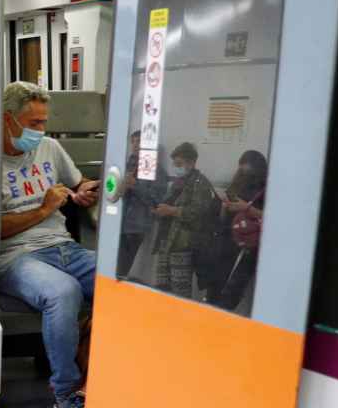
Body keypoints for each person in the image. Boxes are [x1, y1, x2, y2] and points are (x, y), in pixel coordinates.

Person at [0, 82, 98, 408]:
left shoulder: (50, 149)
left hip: (64, 246)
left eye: (43, 122)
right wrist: (44, 208)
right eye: (33, 123)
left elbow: (79, 183)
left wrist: (85, 193)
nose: (41, 130)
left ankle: (99, 381)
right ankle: (66, 397)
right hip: (14, 257)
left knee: (123, 286)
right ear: (8, 120)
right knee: (63, 292)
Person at [151, 142, 218, 301]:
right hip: (166, 241)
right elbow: (168, 203)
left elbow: (199, 212)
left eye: (179, 164)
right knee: (162, 286)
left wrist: (172, 211)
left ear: (192, 162)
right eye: (174, 163)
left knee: (180, 290)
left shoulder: (200, 183)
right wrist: (158, 210)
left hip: (183, 244)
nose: (176, 167)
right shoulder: (177, 182)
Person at [208, 150, 268, 310]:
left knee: (231, 291)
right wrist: (223, 206)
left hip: (246, 246)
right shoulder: (237, 183)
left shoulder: (266, 188)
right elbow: (221, 215)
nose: (243, 172)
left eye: (247, 168)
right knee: (216, 284)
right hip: (226, 240)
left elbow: (271, 218)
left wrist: (246, 208)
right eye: (241, 168)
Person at [114, 131, 164, 281]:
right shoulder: (123, 165)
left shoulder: (155, 169)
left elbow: (156, 200)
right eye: (134, 142)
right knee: (110, 265)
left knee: (122, 269)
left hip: (135, 226)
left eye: (140, 142)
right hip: (117, 222)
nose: (136, 145)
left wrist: (135, 186)